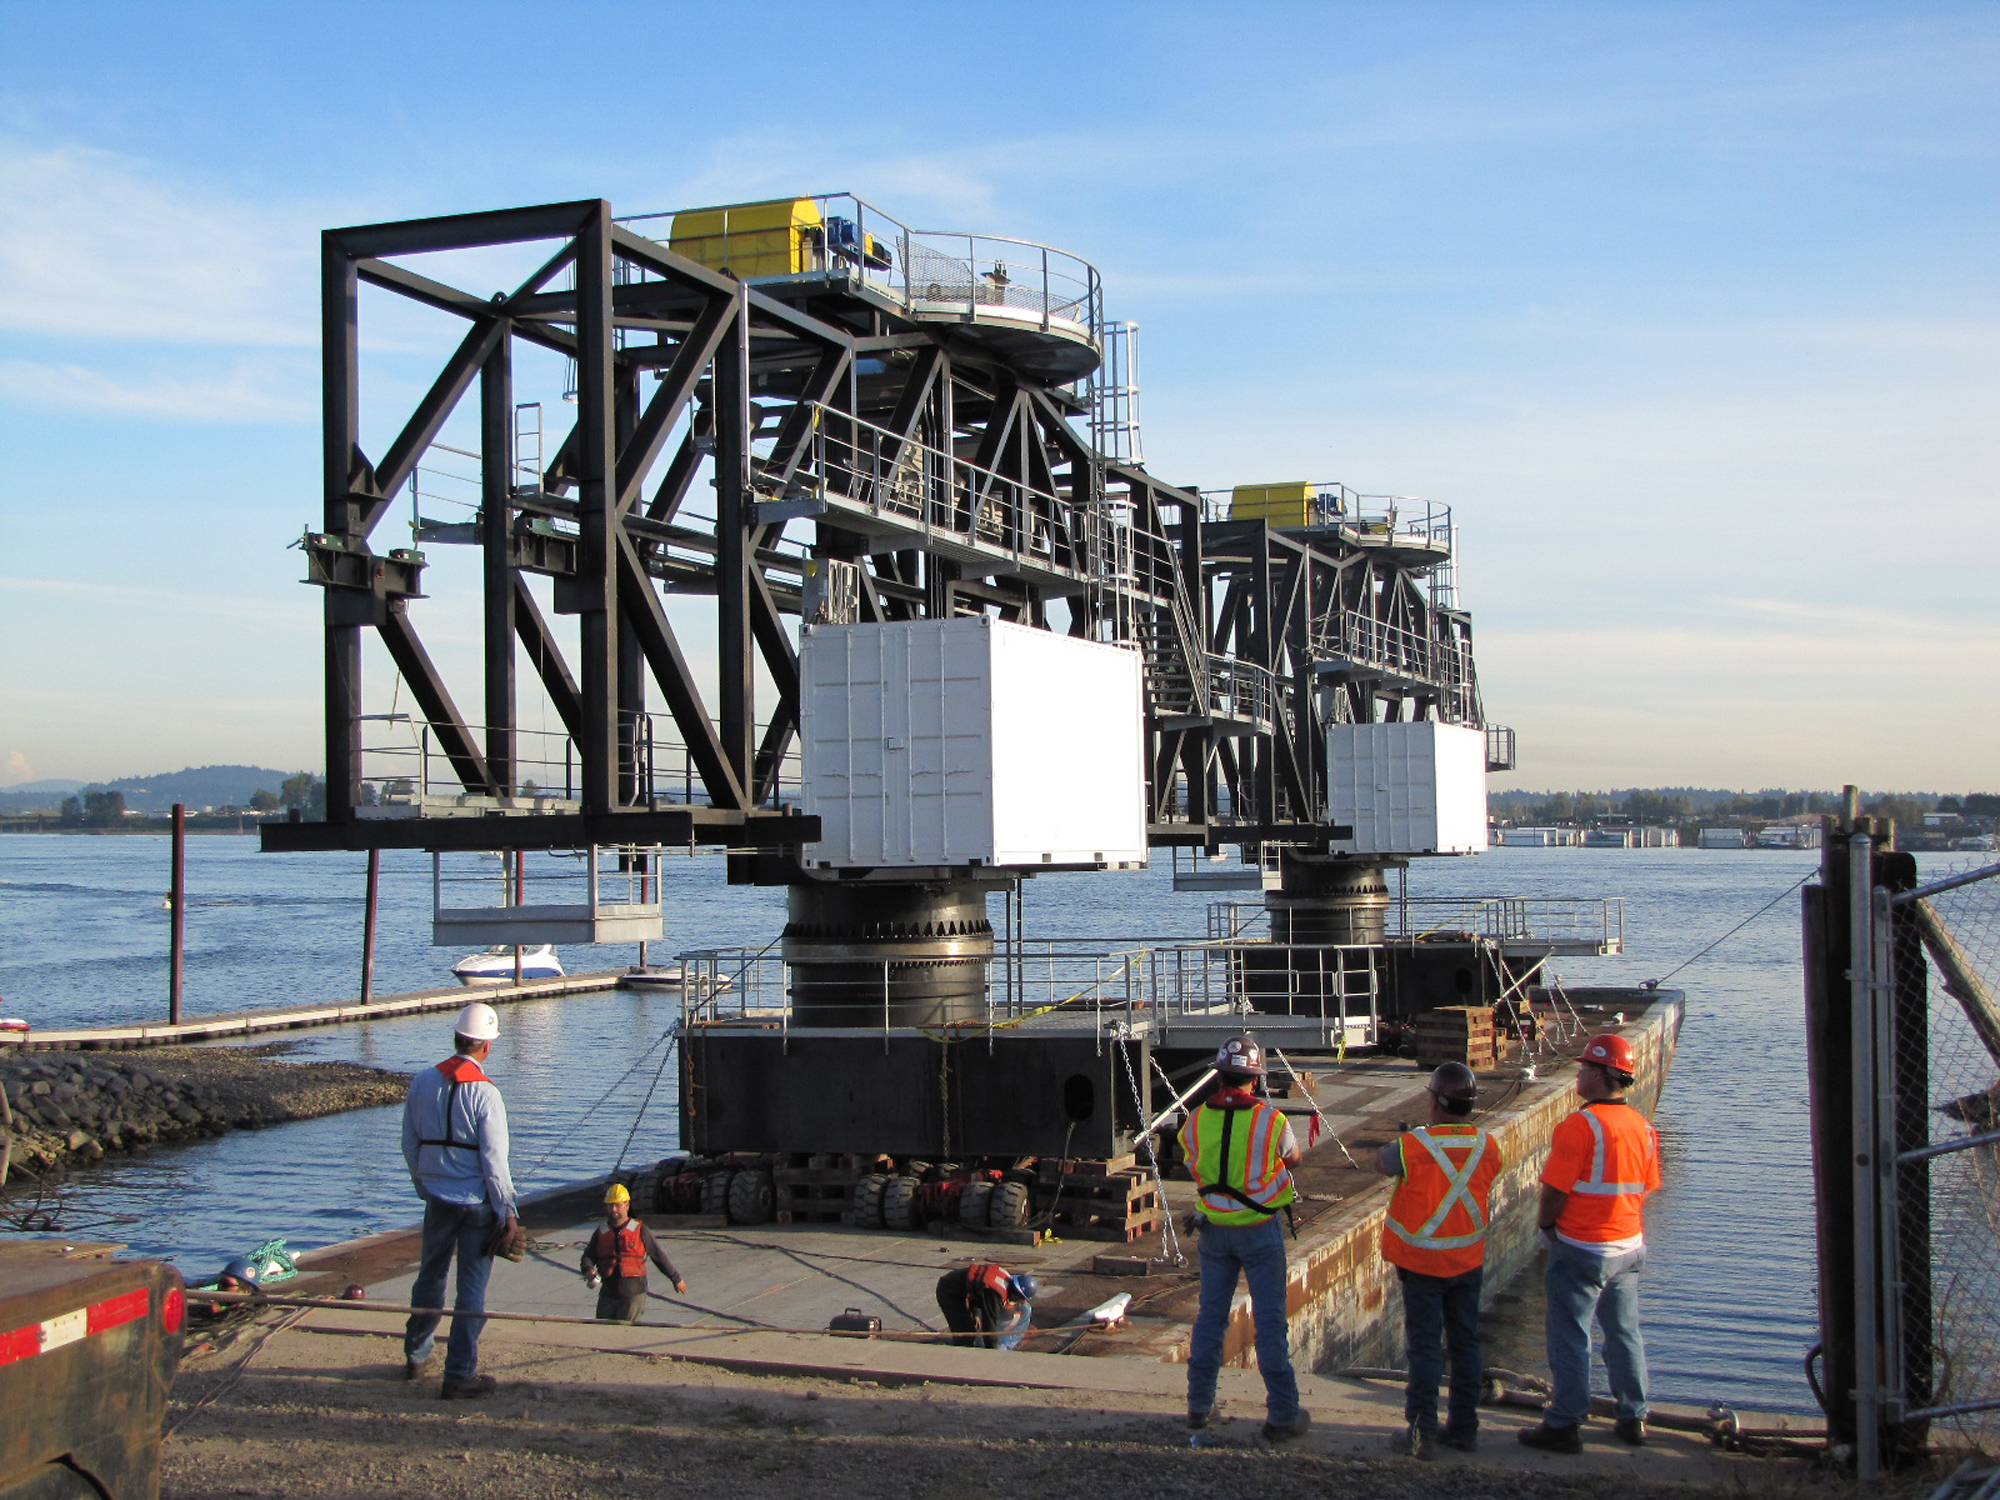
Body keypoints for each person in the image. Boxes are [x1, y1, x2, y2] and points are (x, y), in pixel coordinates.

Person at [1518, 1032, 1662, 1454]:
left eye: (1584, 1068)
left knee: (1570, 1335)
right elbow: (1646, 1186)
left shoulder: (1580, 1126)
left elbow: (1554, 1191)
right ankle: (1634, 1415)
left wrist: (1547, 1227)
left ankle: (1565, 1423)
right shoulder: (1643, 1127)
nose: (1578, 1074)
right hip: (1629, 1247)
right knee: (1624, 1333)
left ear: (1600, 1075)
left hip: (1582, 1247)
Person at [1176, 1035, 1312, 1444]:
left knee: (1210, 1320)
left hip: (1214, 1231)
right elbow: (1293, 1158)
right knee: (1269, 1323)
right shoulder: (1272, 1121)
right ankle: (1283, 1416)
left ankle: (1199, 1407)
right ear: (1254, 1080)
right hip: (1259, 1232)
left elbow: (1190, 1159)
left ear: (1220, 1077)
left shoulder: (1195, 1119)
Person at [1377, 1062, 1504, 1459]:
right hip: (1467, 1262)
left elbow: (1383, 1163)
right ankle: (1465, 1428)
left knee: (1426, 1349)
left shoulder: (1414, 1146)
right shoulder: (1488, 1146)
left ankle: (1421, 1435)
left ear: (1434, 1101)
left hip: (1421, 1266)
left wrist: (1418, 1139)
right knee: (1465, 1343)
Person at [400, 1000, 518, 1399]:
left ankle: (417, 1355)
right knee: (472, 1287)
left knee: (430, 1275)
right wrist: (509, 1212)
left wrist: (424, 1185)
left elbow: (409, 1142)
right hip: (477, 1204)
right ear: (486, 1046)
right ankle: (459, 1373)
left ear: (456, 1037)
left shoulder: (422, 1081)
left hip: (438, 1197)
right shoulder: (486, 1095)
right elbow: (495, 1162)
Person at [580, 1182, 689, 1322]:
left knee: (626, 1333)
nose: (613, 1209)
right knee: (603, 1332)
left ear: (627, 1205)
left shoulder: (639, 1229)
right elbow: (588, 1257)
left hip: (633, 1293)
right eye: (610, 1205)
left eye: (617, 1205)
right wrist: (588, 1270)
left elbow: (658, 1256)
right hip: (608, 1292)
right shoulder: (601, 1232)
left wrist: (676, 1279)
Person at [934, 1262, 1037, 1348]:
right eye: (1021, 1299)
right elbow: (989, 1327)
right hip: (949, 1292)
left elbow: (978, 1289)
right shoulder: (996, 1294)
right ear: (1017, 1293)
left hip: (962, 1290)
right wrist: (991, 1353)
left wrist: (976, 1314)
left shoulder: (1005, 1281)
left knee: (971, 1329)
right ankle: (959, 1362)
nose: (1020, 1302)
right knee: (965, 1334)